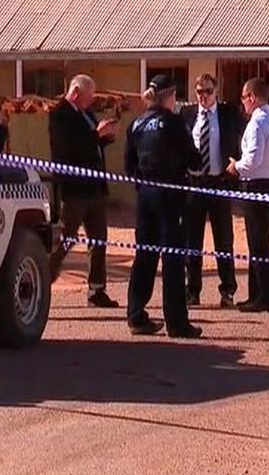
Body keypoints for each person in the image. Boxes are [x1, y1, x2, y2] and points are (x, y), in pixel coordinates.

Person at [124, 74, 203, 338]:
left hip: (144, 197)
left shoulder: (136, 124)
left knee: (144, 255)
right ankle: (177, 322)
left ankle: (136, 315)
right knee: (172, 258)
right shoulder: (173, 122)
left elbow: (128, 167)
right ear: (170, 96)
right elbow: (193, 159)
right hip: (170, 195)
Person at [48, 74, 119, 308]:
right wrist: (95, 135)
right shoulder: (60, 114)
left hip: (95, 186)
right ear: (76, 92)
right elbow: (67, 148)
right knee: (66, 238)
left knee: (98, 239)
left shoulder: (86, 114)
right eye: (88, 97)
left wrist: (104, 137)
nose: (90, 102)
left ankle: (96, 289)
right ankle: (44, 278)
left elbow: (90, 143)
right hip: (75, 189)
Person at [180, 73, 244, 308]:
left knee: (224, 241)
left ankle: (227, 290)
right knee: (192, 241)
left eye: (208, 91)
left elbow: (245, 141)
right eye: (199, 92)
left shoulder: (228, 114)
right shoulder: (187, 115)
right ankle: (192, 290)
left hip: (219, 184)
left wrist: (236, 168)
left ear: (216, 91)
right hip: (194, 184)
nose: (203, 96)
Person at [226, 78, 269, 313]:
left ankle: (266, 297)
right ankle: (257, 294)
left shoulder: (257, 124)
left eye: (244, 97)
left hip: (257, 185)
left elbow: (252, 161)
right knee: (259, 241)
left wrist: (236, 166)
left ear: (252, 97)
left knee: (258, 242)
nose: (243, 103)